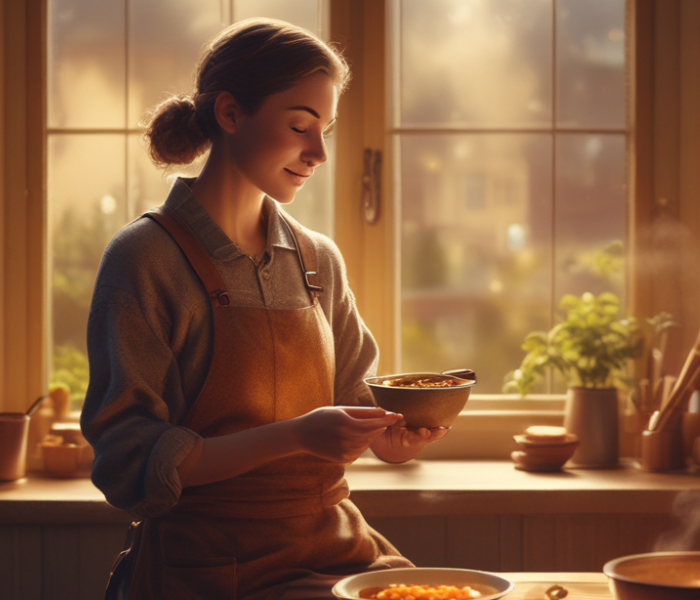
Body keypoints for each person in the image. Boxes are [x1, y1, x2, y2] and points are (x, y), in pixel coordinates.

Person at [81, 18, 449, 600]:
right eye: (300, 125)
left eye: (325, 129)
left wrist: (389, 438)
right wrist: (295, 437)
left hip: (336, 548)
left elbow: (356, 402)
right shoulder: (145, 259)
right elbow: (127, 460)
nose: (320, 152)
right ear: (230, 114)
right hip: (208, 567)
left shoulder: (318, 261)